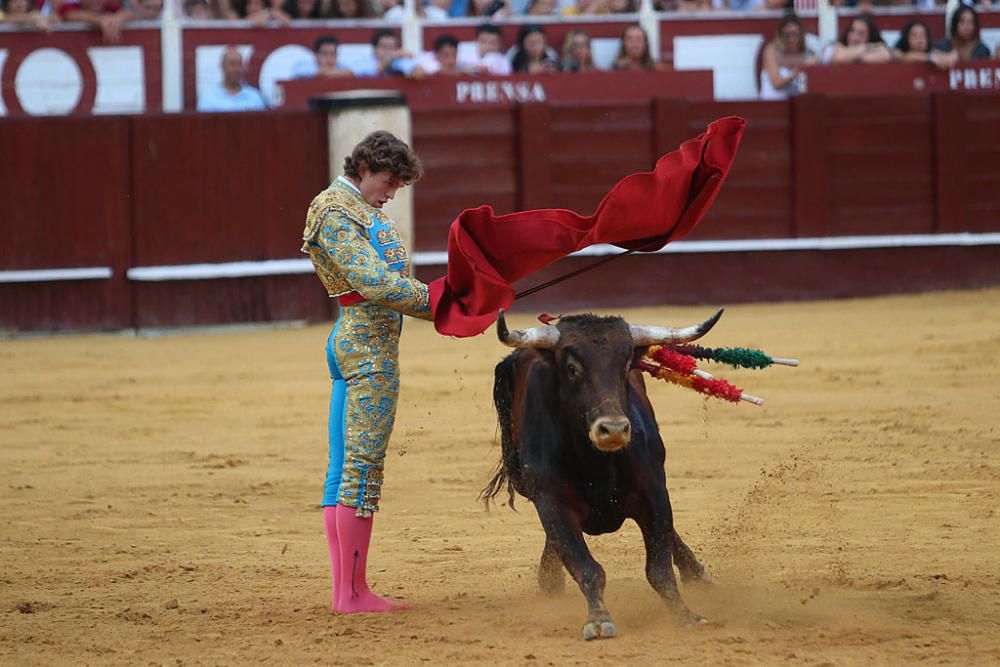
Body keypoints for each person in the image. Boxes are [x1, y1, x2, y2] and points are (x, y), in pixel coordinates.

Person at [301, 131, 433, 614]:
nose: (392, 192)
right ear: (364, 166)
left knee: (344, 472)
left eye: (399, 184)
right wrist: (440, 303)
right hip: (366, 349)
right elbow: (374, 281)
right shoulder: (335, 209)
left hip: (363, 342)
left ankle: (348, 593)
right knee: (361, 471)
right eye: (389, 180)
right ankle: (353, 594)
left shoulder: (358, 210)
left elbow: (388, 280)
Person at [759, 13, 816, 100]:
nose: (791, 39)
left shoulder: (808, 54)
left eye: (795, 34)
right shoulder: (772, 51)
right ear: (780, 35)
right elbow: (776, 83)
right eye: (787, 35)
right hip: (771, 105)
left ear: (801, 35)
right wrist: (799, 70)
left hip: (796, 106)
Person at [197, 45, 268, 111]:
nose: (237, 69)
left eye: (240, 64)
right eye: (232, 64)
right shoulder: (209, 98)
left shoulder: (255, 98)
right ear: (223, 66)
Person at [825, 14, 891, 64]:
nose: (854, 37)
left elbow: (885, 55)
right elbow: (839, 58)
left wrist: (852, 57)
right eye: (852, 30)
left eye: (861, 33)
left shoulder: (879, 48)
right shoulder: (835, 47)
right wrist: (866, 47)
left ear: (870, 37)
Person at [892, 19, 958, 70]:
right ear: (906, 39)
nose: (920, 39)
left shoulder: (934, 49)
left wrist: (948, 58)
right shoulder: (898, 52)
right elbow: (906, 57)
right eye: (914, 36)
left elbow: (953, 54)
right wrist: (931, 58)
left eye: (922, 35)